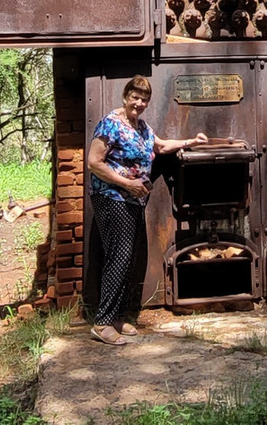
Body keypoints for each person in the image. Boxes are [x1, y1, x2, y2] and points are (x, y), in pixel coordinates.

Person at [87, 74, 208, 345]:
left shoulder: (141, 127)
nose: (139, 103)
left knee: (127, 257)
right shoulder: (111, 124)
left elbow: (162, 145)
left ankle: (117, 317)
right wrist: (128, 184)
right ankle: (103, 322)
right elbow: (94, 162)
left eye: (144, 99)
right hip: (112, 197)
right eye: (135, 97)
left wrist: (191, 142)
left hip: (132, 200)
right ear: (125, 96)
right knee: (118, 256)